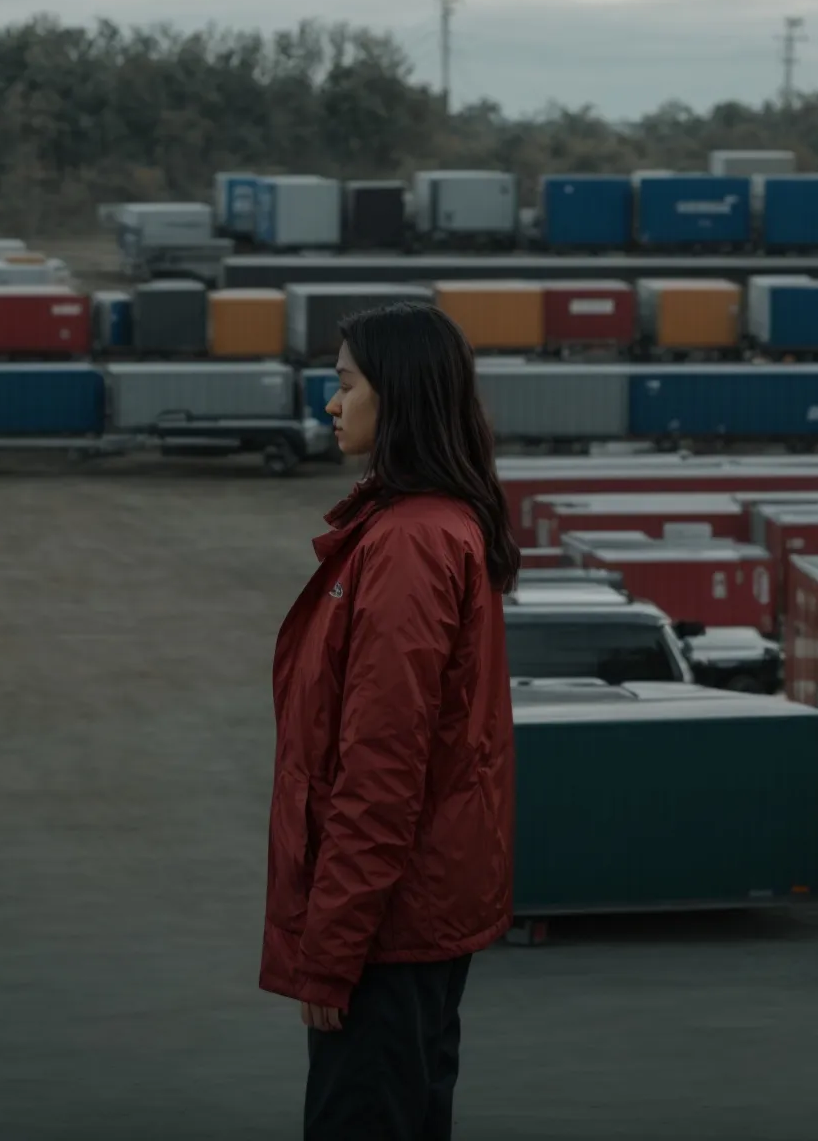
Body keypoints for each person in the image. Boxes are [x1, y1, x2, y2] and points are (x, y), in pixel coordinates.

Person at [261, 301, 519, 1141]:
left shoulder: (409, 544)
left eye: (343, 386)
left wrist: (330, 958)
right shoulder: (423, 526)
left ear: (397, 395)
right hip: (411, 921)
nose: (330, 405)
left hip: (386, 934)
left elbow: (380, 771)